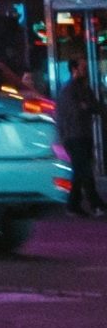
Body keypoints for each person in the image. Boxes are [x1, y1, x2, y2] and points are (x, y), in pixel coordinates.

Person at [62, 60, 102, 217]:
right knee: (84, 170)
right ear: (74, 69)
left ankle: (73, 205)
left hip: (82, 134)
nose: (85, 70)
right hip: (74, 135)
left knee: (80, 171)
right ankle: (96, 204)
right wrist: (85, 106)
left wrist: (86, 106)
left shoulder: (82, 88)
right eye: (83, 68)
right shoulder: (69, 90)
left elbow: (93, 107)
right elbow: (76, 111)